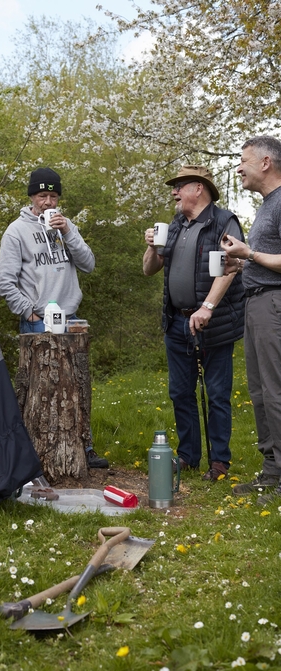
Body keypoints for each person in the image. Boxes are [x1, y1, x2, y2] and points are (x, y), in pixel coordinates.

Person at [0, 167, 106, 468]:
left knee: (78, 385)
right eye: (42, 195)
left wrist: (67, 232)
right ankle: (35, 452)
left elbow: (89, 264)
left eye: (53, 196)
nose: (48, 202)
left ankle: (84, 446)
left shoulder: (65, 226)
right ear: (32, 196)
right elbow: (4, 282)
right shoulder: (16, 231)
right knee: (41, 393)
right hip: (38, 320)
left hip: (71, 319)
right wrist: (28, 311)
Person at [143, 166, 245, 480]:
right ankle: (189, 455)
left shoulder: (223, 221)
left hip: (212, 323)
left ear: (198, 188)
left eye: (179, 186)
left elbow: (232, 268)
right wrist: (151, 246)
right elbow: (149, 270)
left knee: (216, 393)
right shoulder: (174, 225)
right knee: (180, 392)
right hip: (176, 322)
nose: (174, 192)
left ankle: (220, 462)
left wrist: (207, 308)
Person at [221, 136, 281, 505]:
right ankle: (273, 472)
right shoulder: (266, 207)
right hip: (256, 304)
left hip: (274, 305)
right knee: (260, 395)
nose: (239, 168)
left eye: (243, 160)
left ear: (266, 162)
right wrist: (243, 262)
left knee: (276, 393)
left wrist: (251, 253)